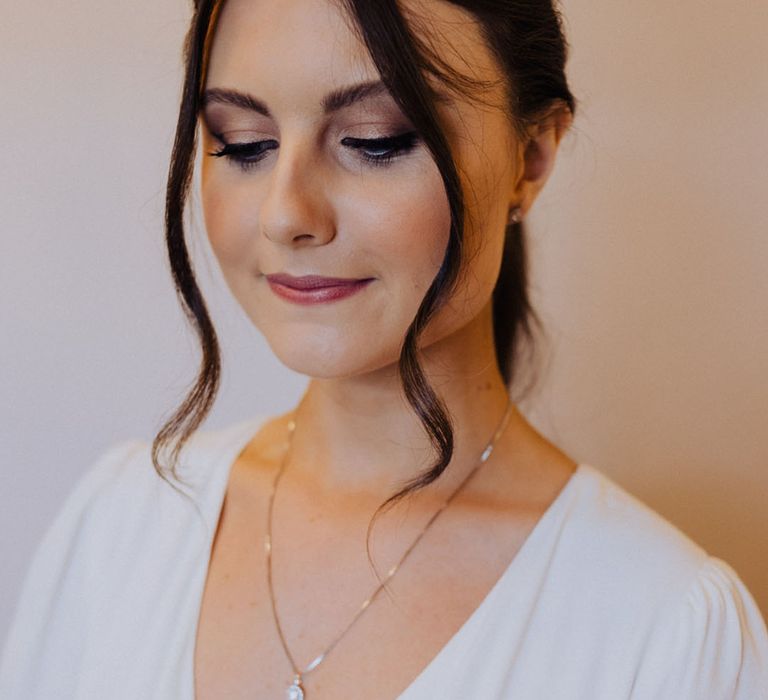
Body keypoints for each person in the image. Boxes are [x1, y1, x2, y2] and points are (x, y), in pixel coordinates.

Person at [1, 0, 767, 698]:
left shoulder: (664, 631)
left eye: (375, 141)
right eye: (242, 145)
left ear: (531, 156)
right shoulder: (123, 525)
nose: (285, 215)